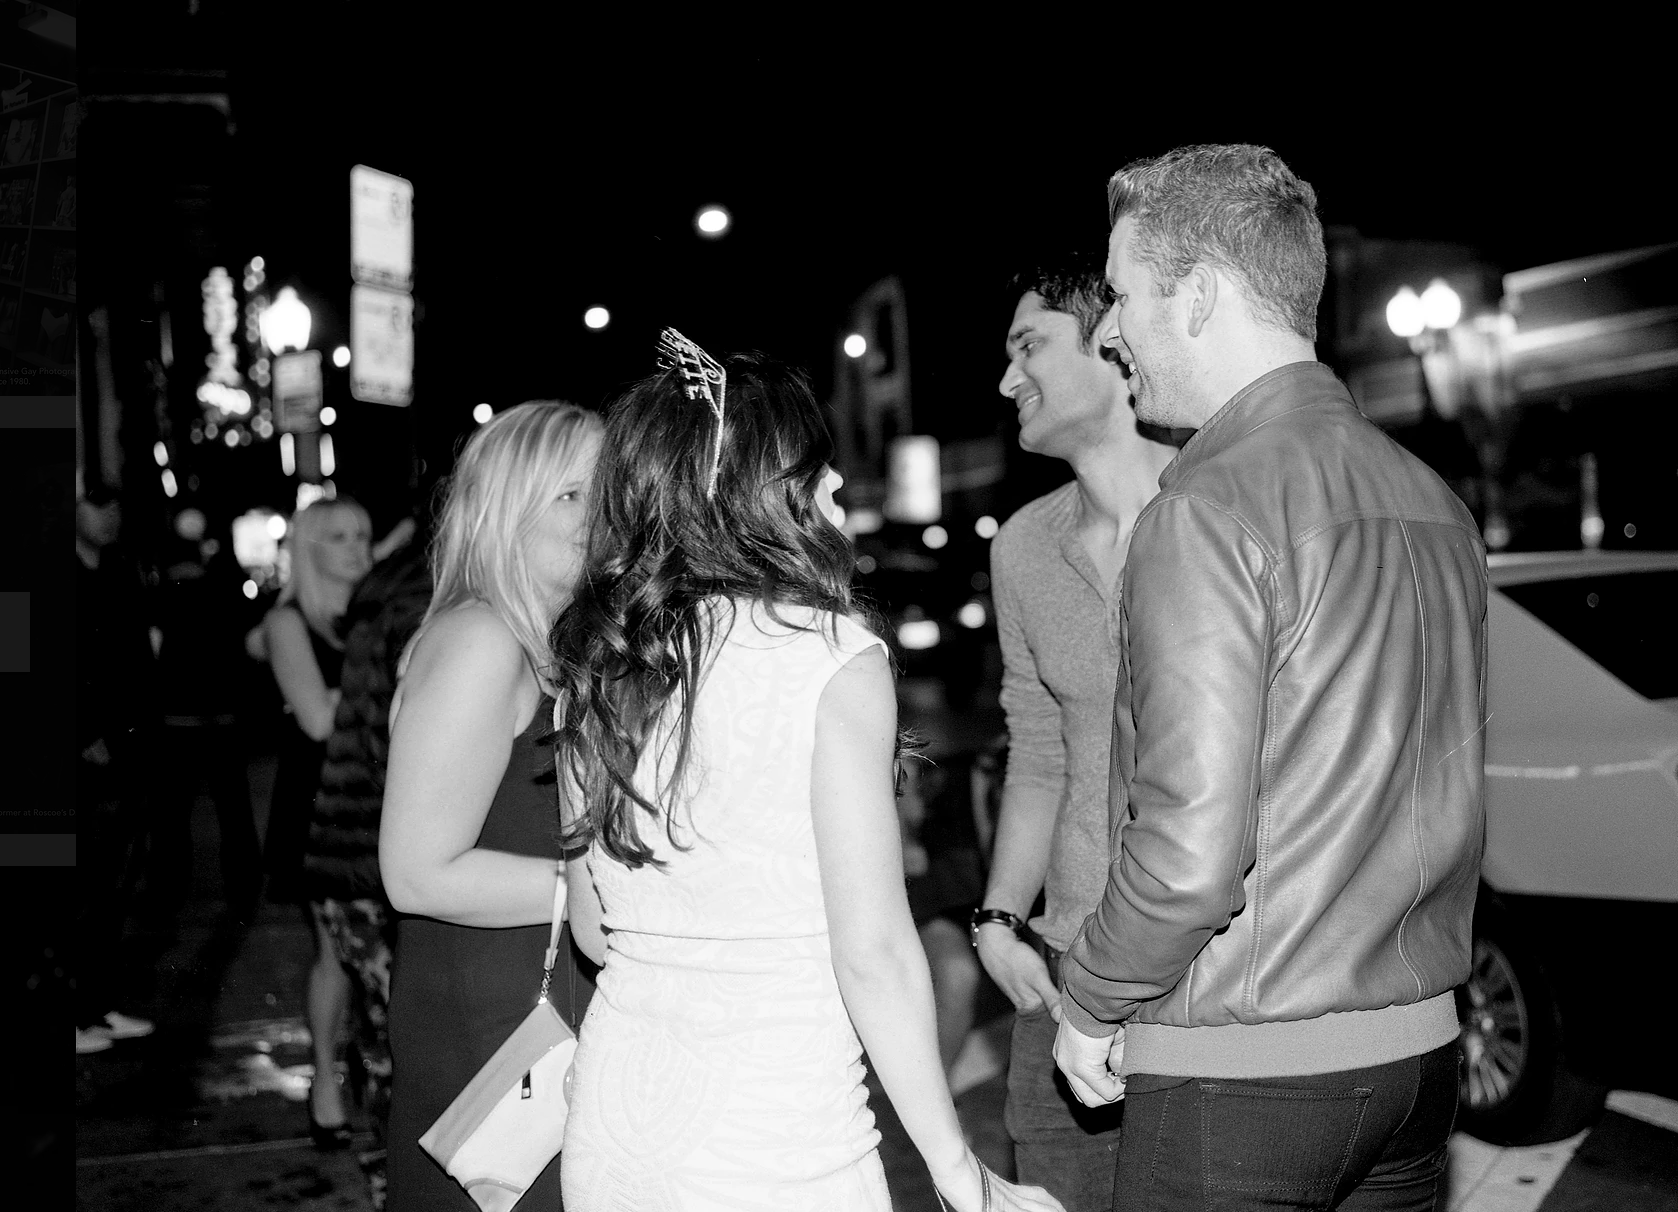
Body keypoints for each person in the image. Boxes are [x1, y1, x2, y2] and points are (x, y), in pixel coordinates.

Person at [1053, 144, 1488, 1212]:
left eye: (1118, 295)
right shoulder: (1435, 500)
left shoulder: (1205, 507)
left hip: (1246, 1081)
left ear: (1196, 297)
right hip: (1420, 1064)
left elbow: (1191, 854)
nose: (1107, 332)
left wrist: (1089, 999)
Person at [552, 335, 1063, 1212]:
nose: (836, 487)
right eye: (810, 470)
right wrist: (959, 1171)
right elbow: (874, 955)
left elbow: (597, 935)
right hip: (775, 1136)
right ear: (753, 494)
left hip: (613, 1128)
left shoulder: (601, 666)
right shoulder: (828, 660)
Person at [974, 254, 1179, 1210]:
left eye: (1029, 346)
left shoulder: (1218, 509)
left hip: (1214, 966)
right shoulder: (1023, 547)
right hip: (1064, 966)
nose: (1008, 379)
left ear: (1111, 344)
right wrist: (998, 920)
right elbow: (1041, 749)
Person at [379, 402, 602, 1211]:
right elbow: (415, 873)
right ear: (506, 509)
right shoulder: (483, 638)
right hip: (492, 1025)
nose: (598, 516)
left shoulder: (537, 640)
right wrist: (597, 892)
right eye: (570, 496)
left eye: (604, 492)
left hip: (527, 1001)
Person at [302, 516, 432, 1211]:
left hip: (349, 846)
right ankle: (390, 1179)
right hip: (366, 854)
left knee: (379, 1029)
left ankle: (387, 1172)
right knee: (388, 1036)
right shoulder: (417, 604)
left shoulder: (387, 596)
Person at [261, 496, 373, 1147]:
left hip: (377, 796)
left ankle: (360, 1066)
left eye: (361, 534)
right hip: (320, 809)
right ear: (310, 547)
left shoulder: (377, 612)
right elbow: (317, 718)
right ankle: (326, 1079)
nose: (356, 547)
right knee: (335, 953)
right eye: (338, 536)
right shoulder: (288, 621)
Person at [73, 486, 159, 1055]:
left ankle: (94, 1007)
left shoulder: (117, 569)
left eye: (114, 508)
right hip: (86, 754)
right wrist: (82, 735)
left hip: (127, 744)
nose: (108, 517)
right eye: (95, 506)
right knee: (79, 888)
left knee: (109, 886)